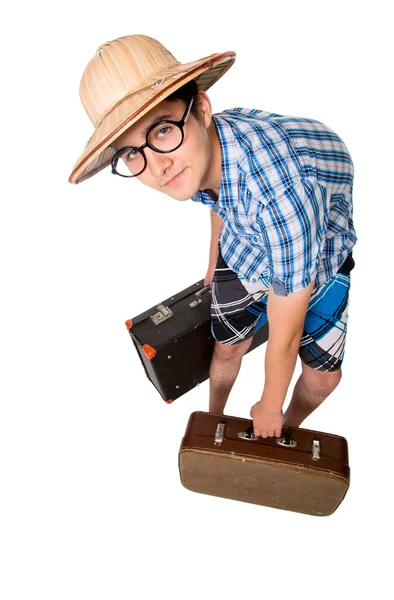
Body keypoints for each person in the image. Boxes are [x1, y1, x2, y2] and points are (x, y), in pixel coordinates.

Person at [69, 34, 357, 439]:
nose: (156, 167)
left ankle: (276, 434)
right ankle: (216, 422)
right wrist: (214, 259)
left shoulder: (281, 193)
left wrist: (269, 404)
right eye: (132, 153)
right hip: (246, 242)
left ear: (201, 108)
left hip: (316, 246)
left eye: (162, 130)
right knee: (226, 347)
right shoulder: (198, 151)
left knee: (322, 380)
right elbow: (218, 195)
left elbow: (285, 329)